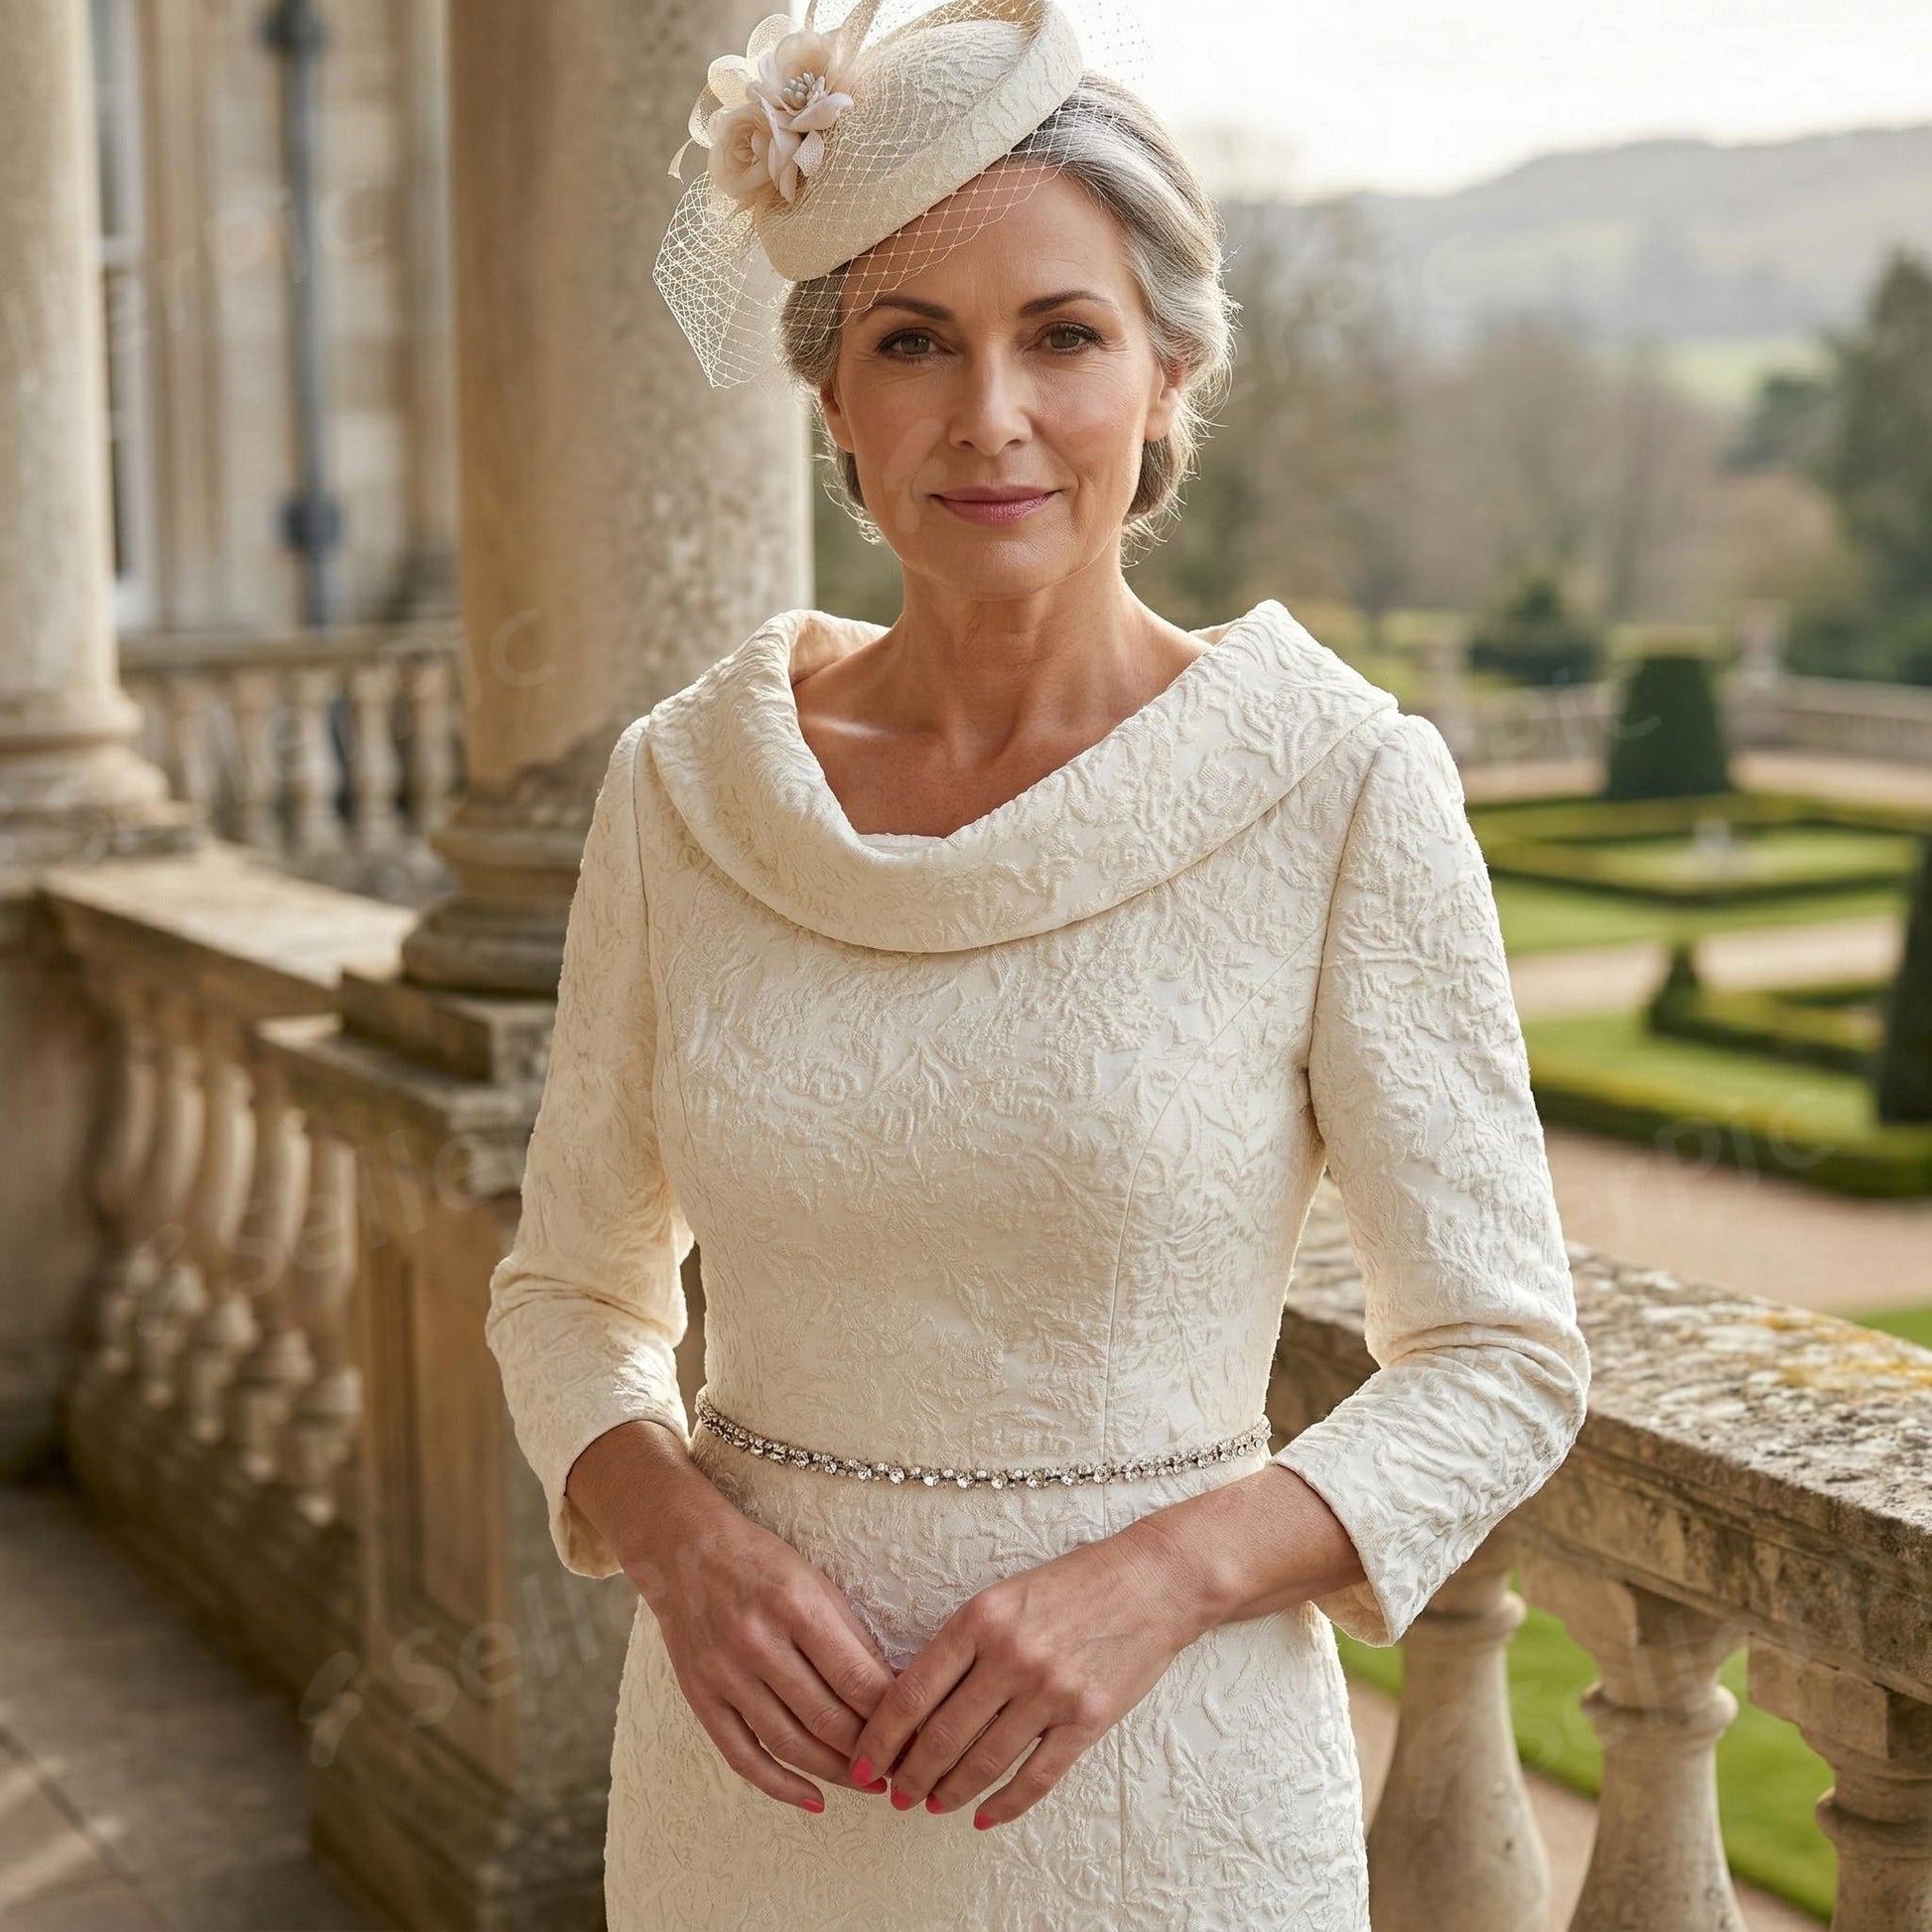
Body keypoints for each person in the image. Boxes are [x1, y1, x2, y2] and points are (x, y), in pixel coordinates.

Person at [484, 1, 1591, 1925]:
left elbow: (1497, 1358)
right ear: (833, 398)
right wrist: (671, 1531)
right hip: (749, 1815)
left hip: (1167, 1808)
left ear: (1167, 376)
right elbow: (567, 1287)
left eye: (1061, 336)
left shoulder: (1333, 788)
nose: (987, 414)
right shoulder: (685, 790)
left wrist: (1158, 1575)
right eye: (914, 343)